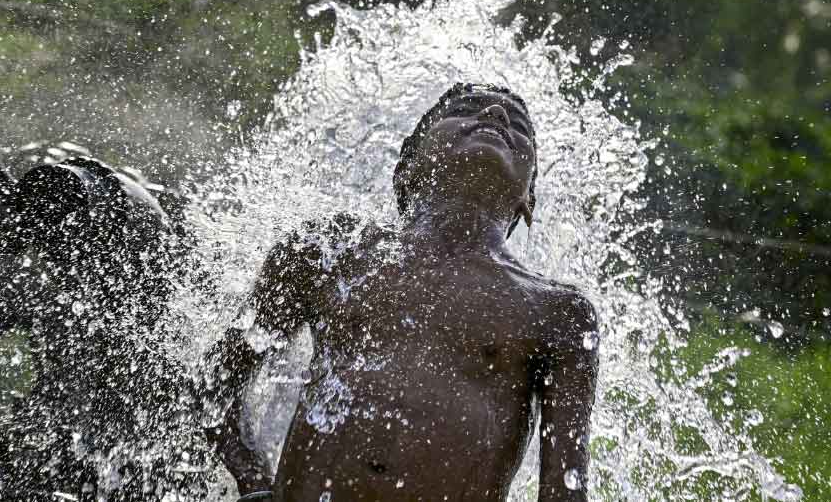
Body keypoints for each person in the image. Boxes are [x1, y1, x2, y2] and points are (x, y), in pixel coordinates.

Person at [209, 83, 599, 501]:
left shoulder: (556, 312)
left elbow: (565, 492)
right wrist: (254, 481)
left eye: (519, 126)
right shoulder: (327, 252)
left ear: (528, 202)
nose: (496, 116)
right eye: (465, 109)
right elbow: (215, 384)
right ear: (408, 166)